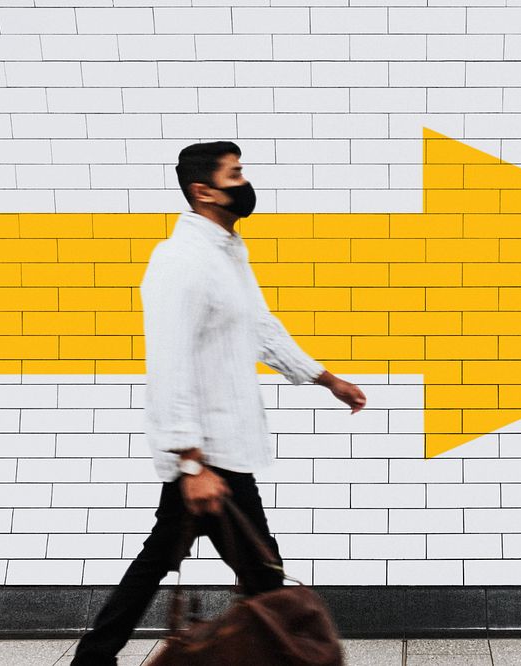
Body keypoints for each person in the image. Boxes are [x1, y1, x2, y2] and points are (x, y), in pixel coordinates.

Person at [71, 141, 367, 665]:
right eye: (235, 174)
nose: (244, 183)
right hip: (207, 457)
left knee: (180, 563)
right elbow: (170, 361)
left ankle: (94, 659)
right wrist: (190, 461)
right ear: (203, 191)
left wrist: (325, 379)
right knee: (262, 575)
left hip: (222, 450)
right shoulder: (181, 260)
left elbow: (260, 328)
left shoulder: (226, 254)